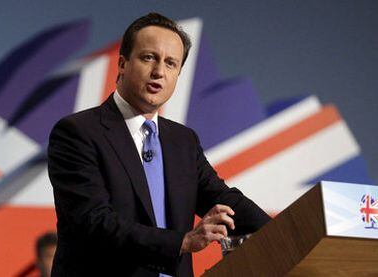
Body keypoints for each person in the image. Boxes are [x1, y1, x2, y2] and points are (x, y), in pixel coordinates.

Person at [48, 12, 271, 277]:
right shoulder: (78, 132)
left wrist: (288, 231)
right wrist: (183, 242)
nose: (159, 72)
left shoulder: (183, 141)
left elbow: (223, 198)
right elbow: (94, 222)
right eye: (148, 58)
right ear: (122, 64)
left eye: (171, 64)